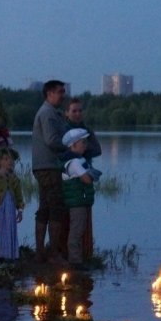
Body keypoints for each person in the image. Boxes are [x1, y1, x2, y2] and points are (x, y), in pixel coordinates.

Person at [31, 79, 69, 263]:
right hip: (48, 166)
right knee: (56, 207)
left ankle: (40, 253)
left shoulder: (52, 112)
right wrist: (72, 145)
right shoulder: (47, 113)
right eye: (60, 91)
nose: (63, 95)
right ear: (50, 94)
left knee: (45, 208)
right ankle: (53, 254)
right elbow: (52, 140)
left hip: (44, 166)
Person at [65, 97, 102, 259]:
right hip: (73, 180)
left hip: (84, 177)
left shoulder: (87, 130)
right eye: (74, 110)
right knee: (74, 222)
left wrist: (84, 149)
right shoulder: (64, 130)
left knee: (83, 222)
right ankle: (73, 258)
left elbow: (97, 149)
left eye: (80, 110)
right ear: (67, 112)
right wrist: (77, 152)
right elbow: (61, 151)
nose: (78, 113)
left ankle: (85, 255)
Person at [61, 128, 100, 270]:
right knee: (76, 232)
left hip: (79, 201)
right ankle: (75, 262)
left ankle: (77, 260)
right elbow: (87, 179)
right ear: (73, 145)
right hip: (76, 202)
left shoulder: (79, 160)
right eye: (82, 142)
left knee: (78, 230)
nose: (85, 145)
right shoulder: (75, 163)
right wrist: (90, 175)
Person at [0, 147, 24, 262]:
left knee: (10, 229)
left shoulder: (14, 179)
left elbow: (19, 195)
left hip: (10, 209)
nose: (9, 162)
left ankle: (10, 255)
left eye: (11, 160)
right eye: (6, 159)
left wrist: (20, 210)